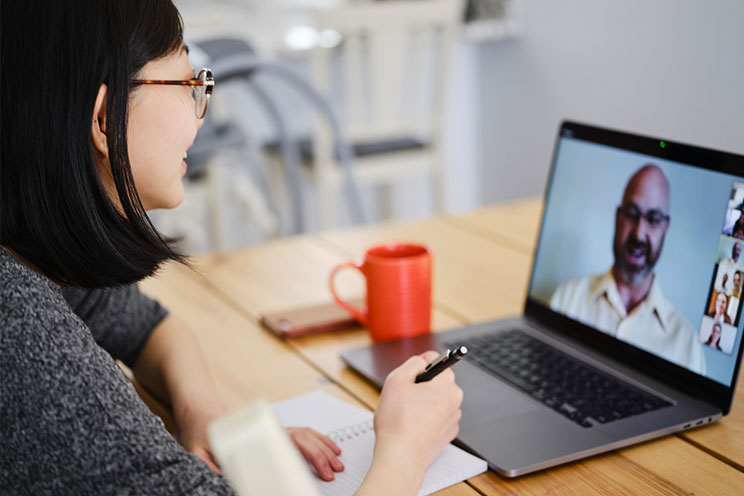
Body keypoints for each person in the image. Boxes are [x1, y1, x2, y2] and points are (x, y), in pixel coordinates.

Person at [0, 2, 462, 494]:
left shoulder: (35, 263)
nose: (202, 113)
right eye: (186, 85)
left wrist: (208, 417)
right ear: (104, 119)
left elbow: (151, 329)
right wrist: (404, 450)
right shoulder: (25, 332)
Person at [550, 164, 705, 374]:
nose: (639, 234)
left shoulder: (687, 347)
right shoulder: (568, 298)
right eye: (632, 214)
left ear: (665, 229)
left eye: (653, 219)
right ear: (618, 217)